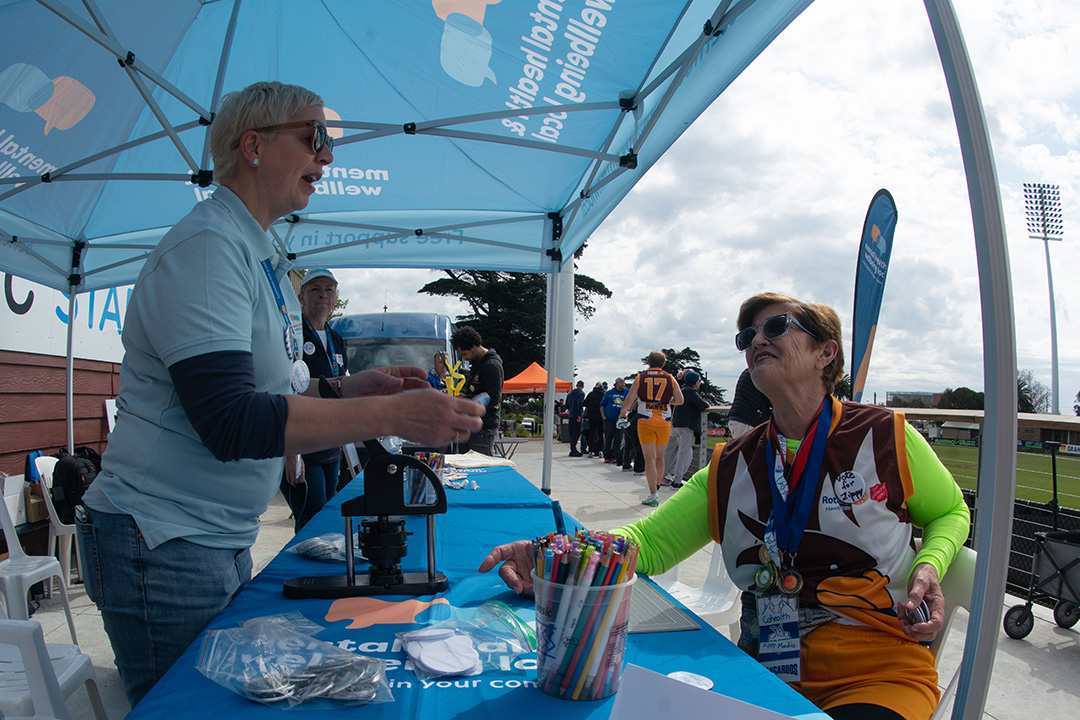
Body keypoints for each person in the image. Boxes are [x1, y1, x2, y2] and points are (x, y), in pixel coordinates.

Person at [75, 81, 485, 707]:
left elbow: (271, 386)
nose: (328, 157)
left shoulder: (253, 247)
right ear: (253, 146)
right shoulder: (210, 250)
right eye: (315, 137)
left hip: (207, 536)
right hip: (162, 542)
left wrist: (349, 390)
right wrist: (394, 412)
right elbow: (232, 421)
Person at [480, 292, 970, 720]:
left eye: (776, 327)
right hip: (761, 670)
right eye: (747, 337)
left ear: (826, 352)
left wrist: (931, 562)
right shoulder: (730, 464)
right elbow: (646, 543)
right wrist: (553, 553)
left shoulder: (886, 436)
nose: (757, 340)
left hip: (878, 672)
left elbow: (951, 513)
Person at [279, 268, 349, 531]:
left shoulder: (337, 339)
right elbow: (285, 389)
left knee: (327, 513)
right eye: (315, 289)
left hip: (330, 443)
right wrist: (290, 453)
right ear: (301, 297)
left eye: (329, 290)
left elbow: (340, 389)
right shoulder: (293, 336)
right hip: (302, 442)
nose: (323, 295)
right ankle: (305, 572)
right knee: (311, 519)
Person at [619, 351, 683, 506]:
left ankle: (652, 493)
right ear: (663, 364)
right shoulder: (670, 378)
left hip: (645, 420)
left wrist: (622, 413)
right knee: (660, 457)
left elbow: (630, 398)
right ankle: (658, 488)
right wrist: (667, 402)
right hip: (664, 420)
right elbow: (680, 400)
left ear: (648, 362)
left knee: (649, 458)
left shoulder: (641, 378)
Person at [451, 325, 503, 455]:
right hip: (470, 426)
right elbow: (474, 391)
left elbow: (493, 398)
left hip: (483, 429)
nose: (464, 358)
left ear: (473, 346)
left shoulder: (491, 366)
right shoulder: (477, 364)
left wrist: (464, 399)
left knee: (480, 468)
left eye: (464, 354)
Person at [663, 369, 709, 487]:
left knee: (682, 452)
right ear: (694, 381)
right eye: (699, 380)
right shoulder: (690, 391)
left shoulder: (683, 389)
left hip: (678, 425)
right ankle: (677, 481)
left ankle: (670, 476)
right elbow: (703, 405)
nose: (700, 383)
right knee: (684, 453)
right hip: (686, 426)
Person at [729, 366, 773, 437]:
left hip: (738, 418)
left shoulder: (752, 371)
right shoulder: (760, 373)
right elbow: (771, 398)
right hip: (747, 420)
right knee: (749, 447)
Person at [600, 377, 629, 463]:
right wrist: (603, 416)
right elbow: (602, 405)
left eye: (623, 382)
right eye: (620, 382)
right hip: (610, 419)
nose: (623, 384)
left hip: (621, 419)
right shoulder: (609, 393)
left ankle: (614, 456)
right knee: (608, 437)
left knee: (618, 438)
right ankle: (607, 455)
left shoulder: (627, 392)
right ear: (616, 384)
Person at [582, 381, 606, 457]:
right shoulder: (603, 395)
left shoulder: (591, 394)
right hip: (600, 417)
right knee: (600, 434)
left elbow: (584, 403)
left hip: (591, 417)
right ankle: (600, 450)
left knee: (591, 434)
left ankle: (591, 451)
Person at [565, 380, 585, 456]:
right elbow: (579, 404)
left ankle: (572, 448)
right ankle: (573, 449)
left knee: (571, 433)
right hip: (576, 415)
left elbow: (566, 405)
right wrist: (579, 415)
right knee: (576, 433)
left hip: (571, 415)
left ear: (576, 385)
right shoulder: (581, 394)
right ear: (582, 387)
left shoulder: (570, 394)